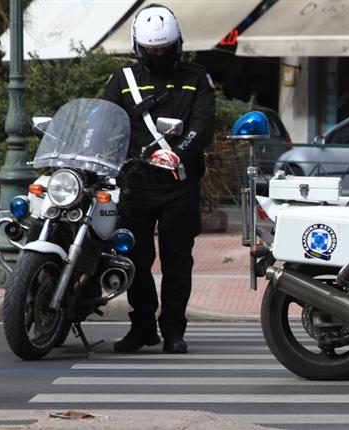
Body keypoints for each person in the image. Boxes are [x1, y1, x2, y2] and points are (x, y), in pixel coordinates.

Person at [102, 4, 215, 354]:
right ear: (138, 47)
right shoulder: (122, 81)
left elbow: (203, 126)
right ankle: (142, 327)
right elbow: (106, 124)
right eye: (151, 49)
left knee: (177, 259)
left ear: (177, 43)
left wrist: (179, 154)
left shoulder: (197, 78)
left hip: (179, 182)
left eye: (164, 48)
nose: (158, 54)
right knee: (134, 258)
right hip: (136, 183)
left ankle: (174, 331)